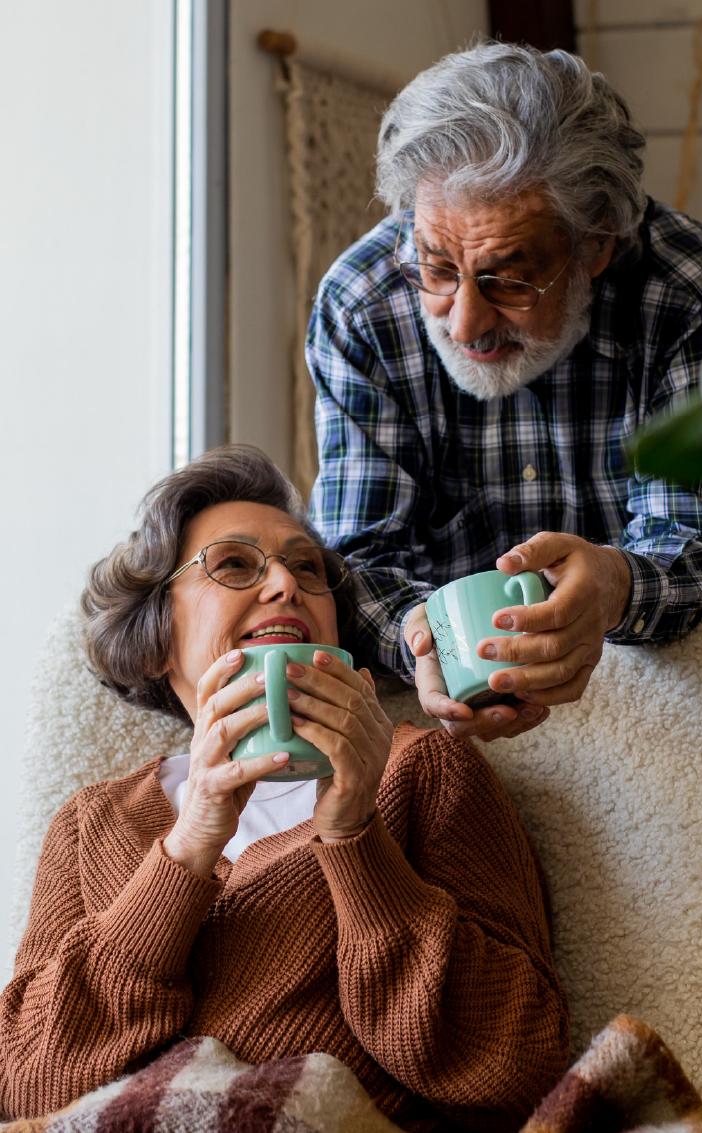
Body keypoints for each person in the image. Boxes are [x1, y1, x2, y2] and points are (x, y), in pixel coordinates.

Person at [0, 445, 568, 1133]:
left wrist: (356, 836)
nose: (286, 585)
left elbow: (522, 1064)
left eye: (308, 568)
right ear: (154, 641)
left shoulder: (424, 770)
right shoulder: (92, 821)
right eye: (235, 564)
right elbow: (25, 1079)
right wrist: (189, 845)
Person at [307, 42, 702, 746]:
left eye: (507, 279)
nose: (463, 321)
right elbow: (353, 560)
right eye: (435, 266)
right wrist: (419, 638)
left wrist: (616, 584)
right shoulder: (360, 303)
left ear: (596, 245)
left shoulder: (696, 298)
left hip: (651, 700)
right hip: (437, 713)